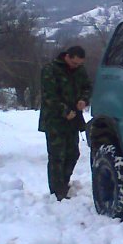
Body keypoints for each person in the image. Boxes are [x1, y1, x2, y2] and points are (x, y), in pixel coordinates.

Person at [38, 45, 92, 200]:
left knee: (73, 154)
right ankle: (57, 192)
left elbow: (87, 87)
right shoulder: (50, 70)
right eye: (74, 63)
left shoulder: (79, 70)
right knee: (57, 156)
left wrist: (84, 99)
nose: (76, 66)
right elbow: (49, 96)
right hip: (55, 120)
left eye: (79, 64)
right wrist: (64, 111)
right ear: (67, 57)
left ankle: (64, 184)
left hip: (73, 120)